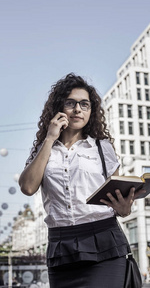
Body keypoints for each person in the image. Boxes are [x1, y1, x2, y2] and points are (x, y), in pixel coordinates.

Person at [19, 73, 142, 288]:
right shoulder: (45, 149)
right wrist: (50, 138)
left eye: (84, 104)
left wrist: (124, 208)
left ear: (91, 111)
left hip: (104, 240)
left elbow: (118, 197)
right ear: (59, 108)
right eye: (71, 103)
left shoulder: (103, 148)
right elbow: (28, 187)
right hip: (60, 247)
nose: (78, 110)